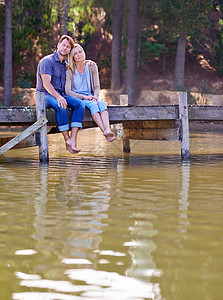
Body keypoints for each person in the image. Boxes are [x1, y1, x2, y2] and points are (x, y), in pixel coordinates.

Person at [36, 35, 85, 154]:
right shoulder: (47, 61)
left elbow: (79, 64)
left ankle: (73, 139)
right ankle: (67, 139)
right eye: (63, 45)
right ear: (58, 45)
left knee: (80, 104)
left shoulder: (65, 64)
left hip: (61, 94)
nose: (65, 48)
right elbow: (46, 84)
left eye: (68, 47)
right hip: (45, 95)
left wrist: (86, 62)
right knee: (61, 105)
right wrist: (58, 97)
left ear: (69, 50)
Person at [65, 43, 115, 142]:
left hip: (91, 96)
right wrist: (84, 97)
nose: (79, 55)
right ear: (72, 57)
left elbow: (96, 87)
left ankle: (108, 129)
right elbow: (68, 91)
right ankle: (104, 132)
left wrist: (95, 97)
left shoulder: (92, 66)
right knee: (93, 106)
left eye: (80, 52)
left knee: (102, 104)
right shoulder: (69, 70)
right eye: (75, 54)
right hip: (79, 97)